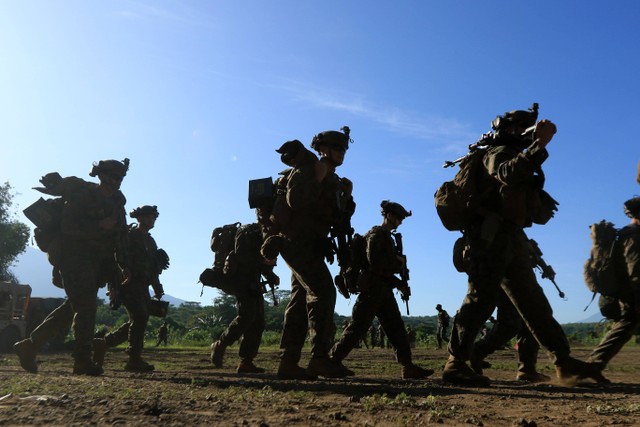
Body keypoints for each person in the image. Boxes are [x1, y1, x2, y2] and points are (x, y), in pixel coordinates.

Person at [442, 105, 606, 386]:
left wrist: (535, 150)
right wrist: (538, 146)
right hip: (488, 238)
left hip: (511, 238)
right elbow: (507, 173)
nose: (524, 133)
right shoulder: (496, 153)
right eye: (520, 128)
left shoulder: (516, 153)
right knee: (480, 300)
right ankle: (455, 362)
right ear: (507, 130)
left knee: (534, 303)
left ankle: (563, 362)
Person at [14, 159, 130, 376]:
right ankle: (83, 360)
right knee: (86, 306)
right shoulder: (83, 195)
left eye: (120, 178)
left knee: (75, 306)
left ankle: (30, 345)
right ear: (102, 175)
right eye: (113, 177)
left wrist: (121, 267)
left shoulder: (117, 203)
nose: (117, 182)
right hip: (73, 256)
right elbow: (69, 228)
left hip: (98, 261)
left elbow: (120, 237)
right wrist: (99, 225)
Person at [271, 128, 355, 380]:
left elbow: (337, 217)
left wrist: (346, 196)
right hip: (296, 241)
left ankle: (288, 362)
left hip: (312, 244)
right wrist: (317, 177)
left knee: (299, 301)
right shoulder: (309, 169)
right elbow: (295, 200)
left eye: (344, 149)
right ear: (324, 149)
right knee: (323, 291)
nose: (342, 153)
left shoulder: (332, 178)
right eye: (338, 148)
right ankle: (319, 358)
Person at [331, 201, 433, 379]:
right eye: (399, 217)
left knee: (397, 329)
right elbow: (375, 264)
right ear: (389, 215)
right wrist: (397, 263)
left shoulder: (386, 236)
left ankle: (407, 366)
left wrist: (399, 283)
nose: (400, 221)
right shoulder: (376, 235)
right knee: (357, 328)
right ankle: (332, 361)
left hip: (383, 290)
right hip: (372, 289)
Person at [96, 205, 167, 372]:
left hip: (143, 285)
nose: (152, 220)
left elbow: (153, 267)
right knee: (140, 317)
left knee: (138, 319)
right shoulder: (129, 236)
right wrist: (116, 282)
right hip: (127, 284)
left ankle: (104, 343)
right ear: (139, 218)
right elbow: (118, 257)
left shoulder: (150, 241)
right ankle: (134, 358)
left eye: (154, 217)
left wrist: (157, 287)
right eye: (148, 217)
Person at [210, 222, 279, 374]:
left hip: (253, 281)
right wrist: (262, 261)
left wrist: (270, 274)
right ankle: (221, 344)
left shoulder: (270, 234)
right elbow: (241, 256)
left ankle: (246, 362)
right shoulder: (249, 231)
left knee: (258, 321)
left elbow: (264, 262)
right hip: (240, 280)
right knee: (247, 316)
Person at [588, 197, 640, 376]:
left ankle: (592, 367)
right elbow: (635, 269)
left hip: (624, 292)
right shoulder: (633, 236)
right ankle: (591, 367)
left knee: (625, 326)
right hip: (628, 293)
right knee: (626, 324)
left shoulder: (628, 234)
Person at [470, 291, 550, 383]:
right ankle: (477, 351)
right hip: (505, 280)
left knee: (530, 321)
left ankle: (527, 369)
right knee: (510, 324)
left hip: (518, 281)